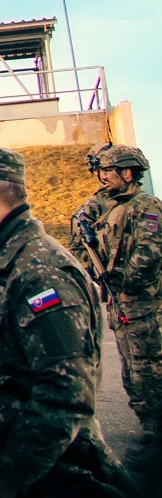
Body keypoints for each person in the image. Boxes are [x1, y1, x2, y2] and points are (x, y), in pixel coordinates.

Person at [0, 142, 134, 497]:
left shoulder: (40, 271)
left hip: (56, 479)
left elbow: (66, 394)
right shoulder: (6, 264)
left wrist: (6, 477)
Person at [89, 145, 162, 491]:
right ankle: (152, 435)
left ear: (129, 173)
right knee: (134, 377)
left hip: (144, 308)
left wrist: (124, 284)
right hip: (124, 307)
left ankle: (155, 442)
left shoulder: (146, 207)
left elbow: (150, 253)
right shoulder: (115, 209)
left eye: (109, 171)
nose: (103, 177)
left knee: (151, 372)